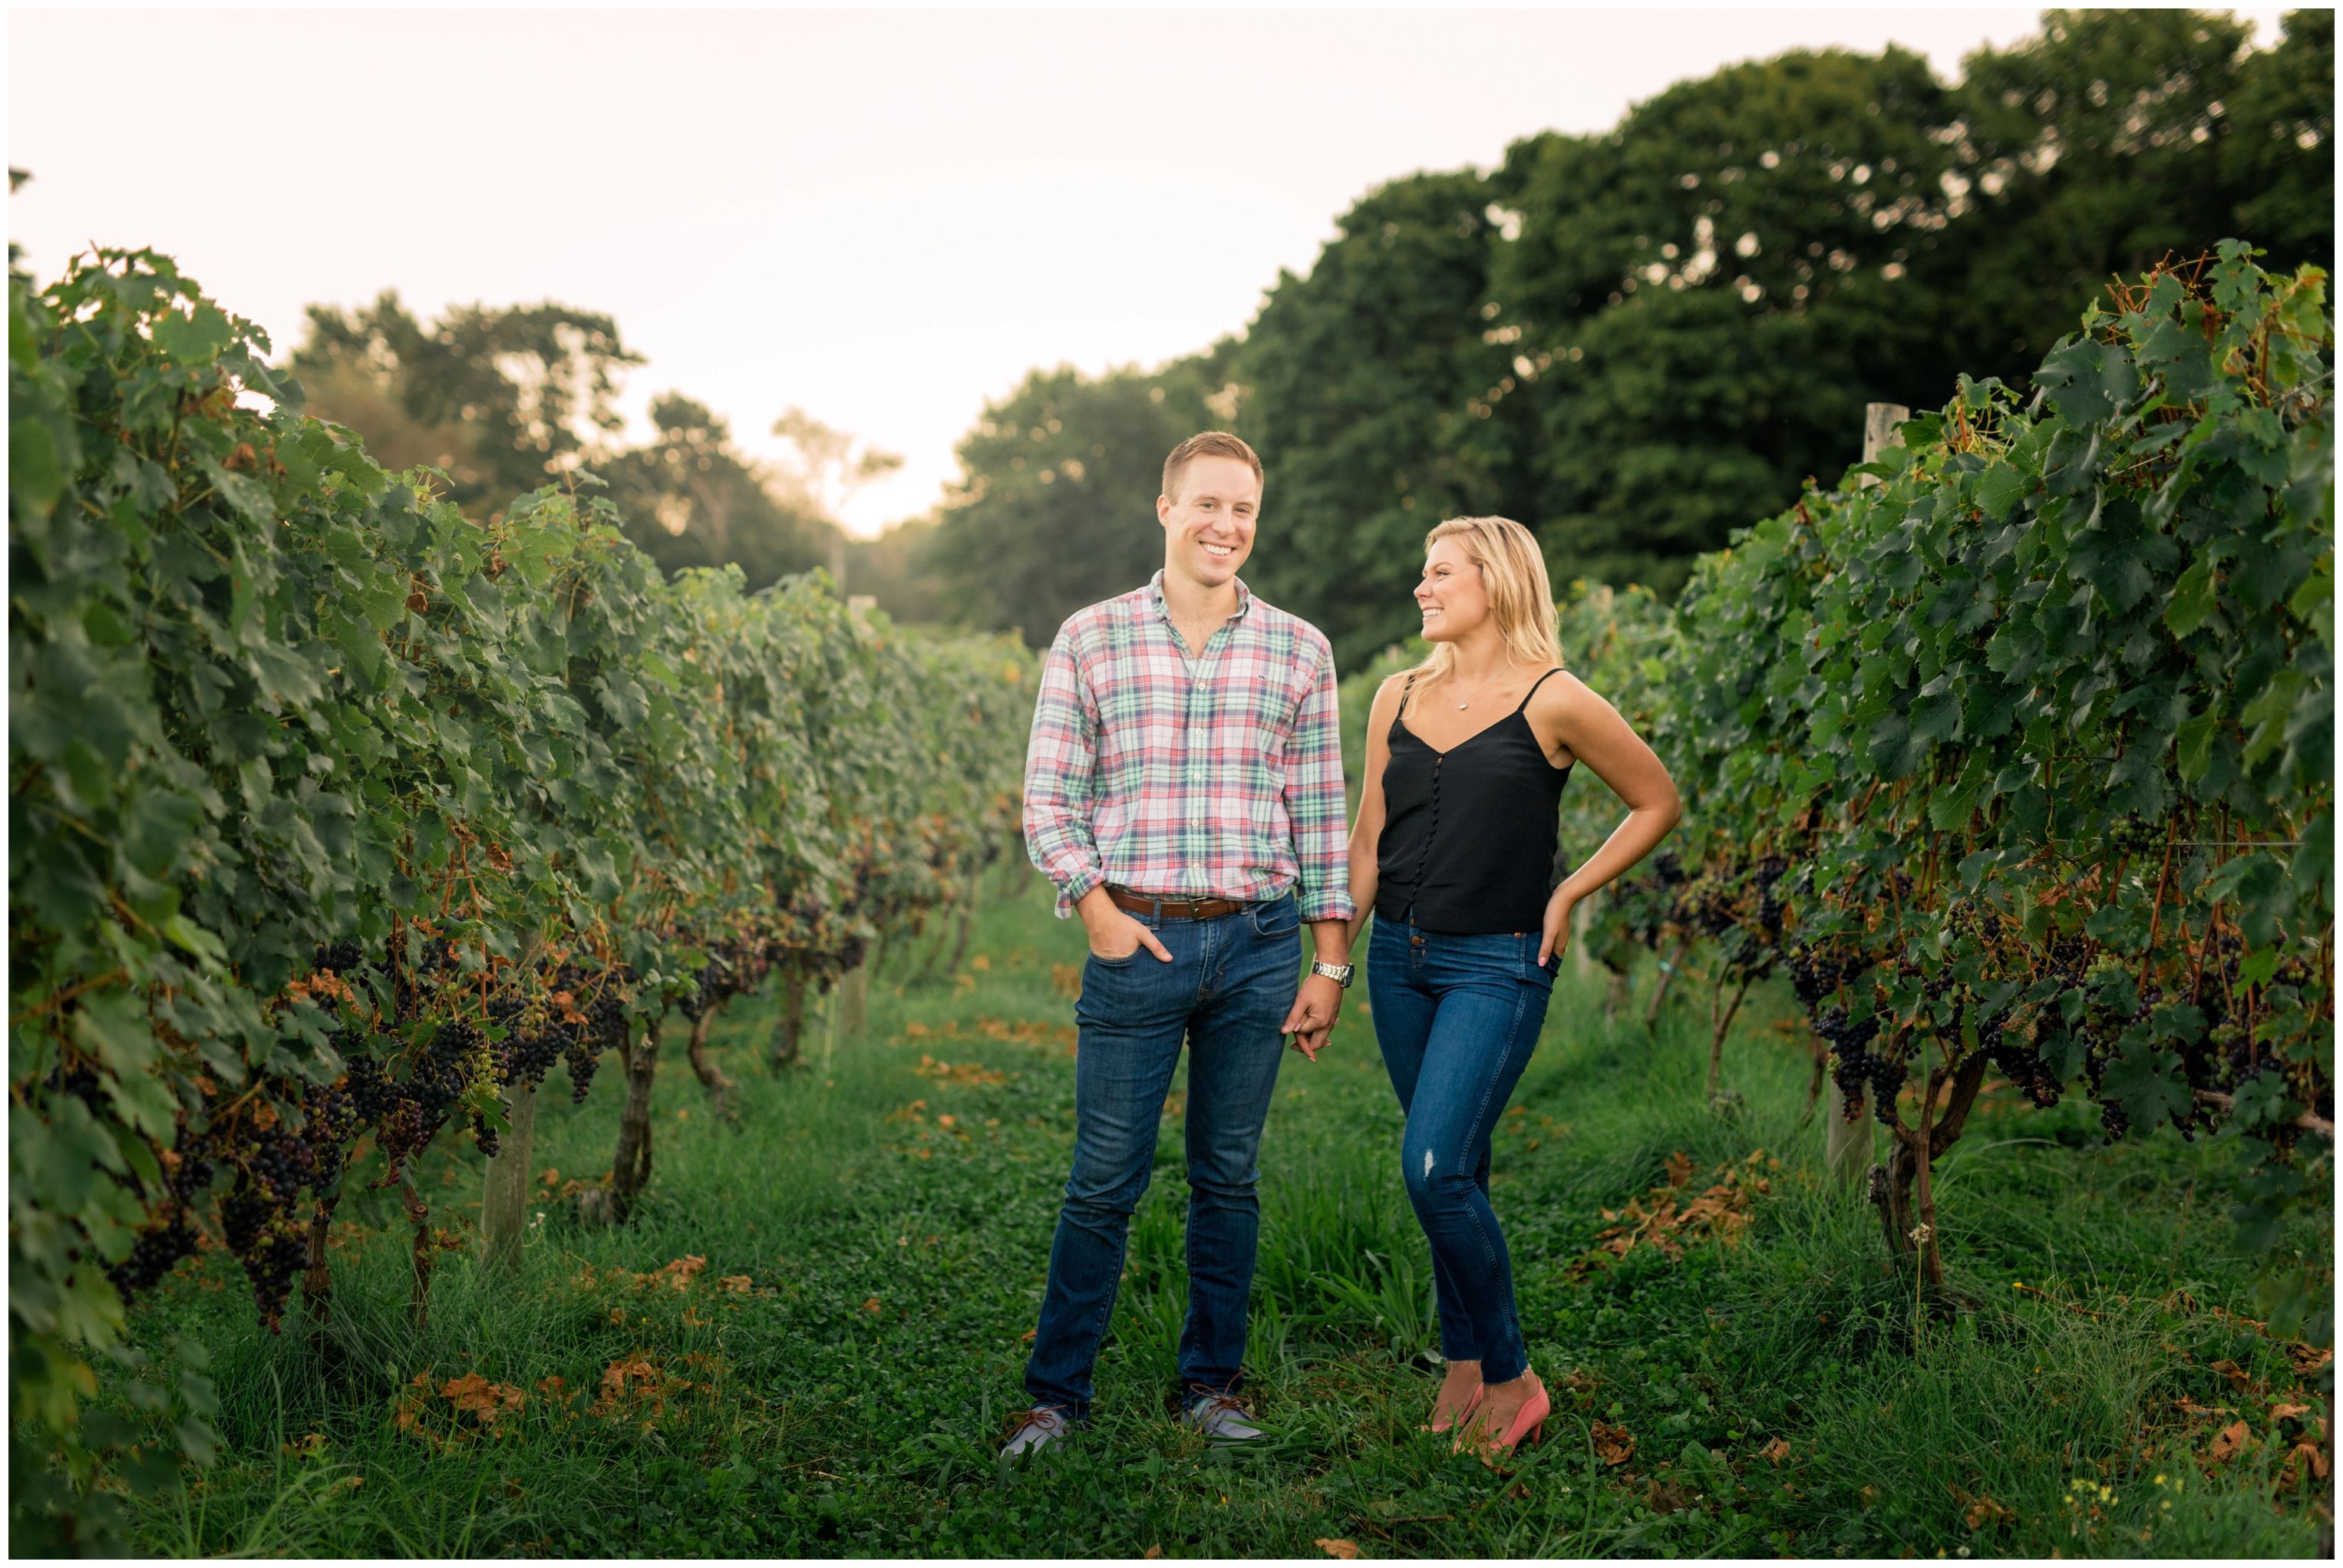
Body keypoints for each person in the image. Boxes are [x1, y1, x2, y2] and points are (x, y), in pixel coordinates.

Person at [1002, 431, 1356, 1459]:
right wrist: (1100, 910)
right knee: (1104, 1177)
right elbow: (1049, 797)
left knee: (1228, 1174)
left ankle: (1211, 1383)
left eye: (1243, 508)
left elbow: (1320, 816)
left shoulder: (1299, 647)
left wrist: (1329, 963)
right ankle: (1055, 1396)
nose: (1226, 525)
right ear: (1165, 509)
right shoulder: (1092, 636)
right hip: (1136, 938)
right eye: (1207, 503)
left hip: (1256, 944)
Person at [1340, 516, 1681, 1457]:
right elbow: (1367, 842)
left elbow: (1656, 799)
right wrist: (1329, 967)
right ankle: (1460, 1369)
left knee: (1432, 1167)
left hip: (1496, 963)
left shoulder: (1555, 699)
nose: (1421, 585)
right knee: (1460, 1168)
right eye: (1422, 570)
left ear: (1493, 582)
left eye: (1438, 571)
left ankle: (1510, 1374)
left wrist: (1570, 888)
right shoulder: (1395, 695)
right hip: (1397, 963)